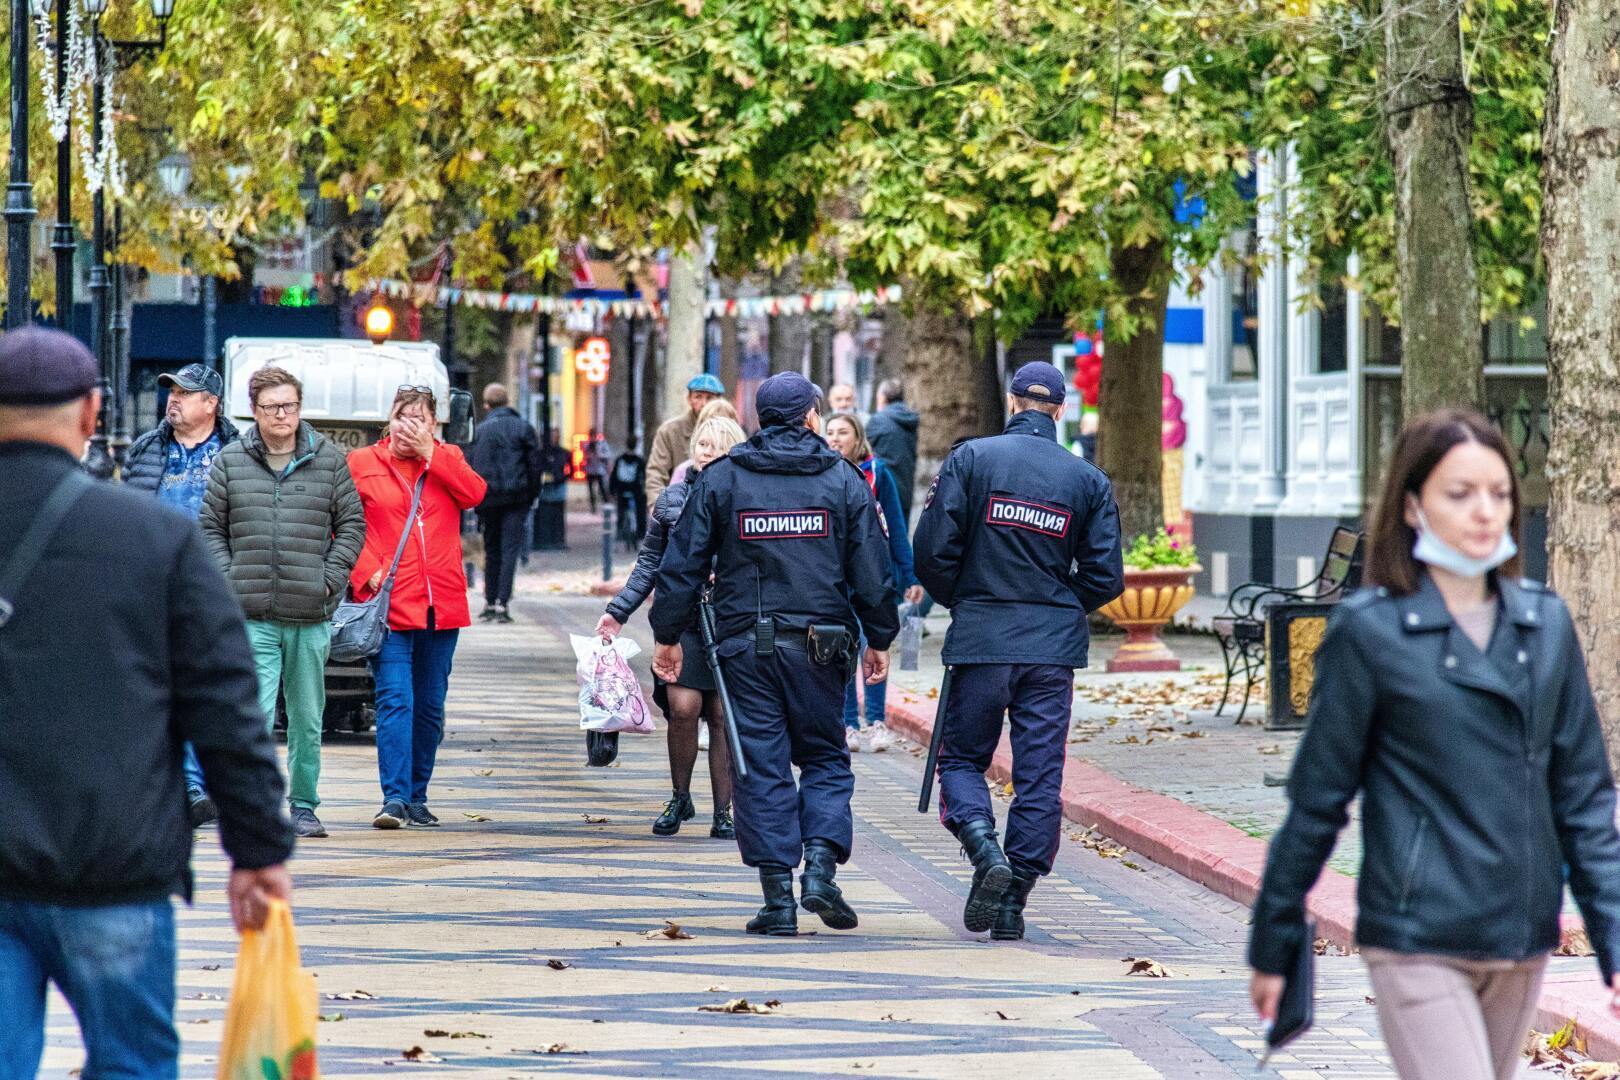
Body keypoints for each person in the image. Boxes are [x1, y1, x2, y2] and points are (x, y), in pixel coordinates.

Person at [1248, 409, 1620, 1080]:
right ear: (1413, 505)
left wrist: (1613, 939)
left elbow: (1585, 800)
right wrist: (1274, 941)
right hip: (1417, 934)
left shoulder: (1546, 625)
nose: (1486, 511)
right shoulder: (1370, 632)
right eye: (1460, 493)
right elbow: (1318, 801)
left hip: (1521, 935)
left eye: (1499, 493)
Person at [0, 327, 293, 1077]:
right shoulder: (151, 537)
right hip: (111, 863)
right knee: (131, 1064)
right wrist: (257, 849)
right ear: (91, 412)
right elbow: (222, 700)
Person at [650, 372, 898, 937]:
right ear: (811, 417)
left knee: (761, 763)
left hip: (746, 648)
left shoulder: (724, 479)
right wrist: (880, 637)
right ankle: (821, 869)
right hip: (822, 647)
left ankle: (778, 899)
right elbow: (872, 570)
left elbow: (683, 564)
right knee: (825, 757)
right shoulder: (843, 479)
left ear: (759, 419)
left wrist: (667, 634)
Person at [912, 361, 1123, 939]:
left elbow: (931, 551)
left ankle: (984, 847)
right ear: (1060, 409)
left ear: (1011, 403)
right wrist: (1059, 605)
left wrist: (966, 598)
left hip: (982, 639)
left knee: (961, 759)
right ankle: (1014, 900)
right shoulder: (1087, 480)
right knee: (1039, 776)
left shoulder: (972, 459)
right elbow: (1105, 575)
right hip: (1050, 651)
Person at [200, 365, 366, 840]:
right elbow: (210, 528)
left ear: (299, 408)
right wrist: (230, 579)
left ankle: (305, 805)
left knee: (307, 719)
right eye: (271, 406)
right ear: (254, 410)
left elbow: (352, 525)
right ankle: (253, 805)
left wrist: (328, 580)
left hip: (310, 613)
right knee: (252, 714)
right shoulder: (231, 461)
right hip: (251, 613)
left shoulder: (328, 460)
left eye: (289, 405)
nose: (281, 415)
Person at [596, 416, 747, 839]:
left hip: (730, 620)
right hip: (682, 618)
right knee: (683, 708)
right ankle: (680, 796)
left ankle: (724, 811)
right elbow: (649, 563)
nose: (708, 451)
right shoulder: (673, 499)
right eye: (702, 443)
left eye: (718, 445)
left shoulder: (747, 497)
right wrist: (618, 611)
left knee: (721, 714)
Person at [348, 386, 488, 830]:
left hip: (441, 604)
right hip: (389, 604)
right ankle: (394, 798)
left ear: (433, 423)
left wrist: (433, 454)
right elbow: (341, 526)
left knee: (429, 706)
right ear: (388, 421)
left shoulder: (448, 458)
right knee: (395, 699)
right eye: (401, 416)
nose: (408, 426)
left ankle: (417, 796)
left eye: (419, 418)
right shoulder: (362, 463)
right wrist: (366, 571)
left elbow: (475, 494)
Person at [123, 361, 241, 828]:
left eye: (185, 393)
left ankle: (195, 784)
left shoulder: (236, 452)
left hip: (214, 588)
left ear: (211, 404)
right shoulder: (146, 449)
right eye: (171, 391)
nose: (173, 399)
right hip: (154, 587)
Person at [825, 411, 924, 753]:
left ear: (858, 438)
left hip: (874, 578)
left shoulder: (878, 473)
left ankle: (877, 721)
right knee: (845, 652)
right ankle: (849, 724)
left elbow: (896, 528)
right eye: (830, 432)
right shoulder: (822, 473)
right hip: (837, 580)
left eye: (842, 432)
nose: (835, 439)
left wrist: (910, 575)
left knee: (875, 646)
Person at [466, 382, 542, 624]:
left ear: (487, 405)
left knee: (491, 549)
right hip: (516, 497)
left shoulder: (479, 431)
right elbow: (535, 465)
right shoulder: (523, 428)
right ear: (507, 402)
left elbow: (470, 464)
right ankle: (502, 603)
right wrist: (532, 494)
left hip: (488, 498)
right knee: (510, 549)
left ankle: (489, 601)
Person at [646, 372, 724, 504]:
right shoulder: (670, 431)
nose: (704, 403)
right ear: (689, 399)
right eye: (698, 397)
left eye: (709, 398)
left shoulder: (729, 432)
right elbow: (656, 474)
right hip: (680, 506)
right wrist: (658, 508)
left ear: (719, 401)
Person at [866, 377, 920, 521]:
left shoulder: (878, 420)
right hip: (906, 488)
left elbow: (864, 450)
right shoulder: (910, 418)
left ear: (883, 398)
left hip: (884, 488)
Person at [669, 398, 741, 489]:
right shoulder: (683, 472)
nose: (716, 428)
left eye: (719, 446)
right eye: (702, 444)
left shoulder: (742, 483)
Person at [610, 436, 649, 546]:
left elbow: (613, 476)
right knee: (640, 510)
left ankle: (620, 531)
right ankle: (641, 532)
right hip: (635, 491)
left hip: (622, 490)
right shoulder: (640, 461)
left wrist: (612, 490)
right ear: (636, 445)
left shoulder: (619, 459)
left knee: (621, 510)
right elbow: (645, 477)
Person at [584, 429, 611, 513]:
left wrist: (599, 454)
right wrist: (589, 456)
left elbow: (607, 455)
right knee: (591, 490)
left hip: (599, 470)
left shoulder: (602, 444)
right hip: (590, 470)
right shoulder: (587, 445)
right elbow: (584, 456)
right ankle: (593, 507)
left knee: (602, 489)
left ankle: (606, 505)